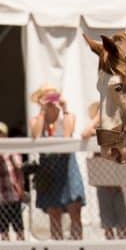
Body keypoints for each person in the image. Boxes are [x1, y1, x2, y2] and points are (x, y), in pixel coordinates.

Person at [29, 84, 85, 240]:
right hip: (48, 168)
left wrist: (64, 108)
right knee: (54, 214)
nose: (51, 100)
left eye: (54, 96)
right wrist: (42, 110)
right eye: (47, 96)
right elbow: (36, 135)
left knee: (75, 210)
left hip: (67, 166)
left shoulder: (68, 116)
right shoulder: (36, 119)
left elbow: (67, 135)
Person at [83, 102, 126, 239]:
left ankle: (125, 246)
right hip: (102, 176)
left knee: (123, 219)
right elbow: (85, 132)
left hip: (118, 176)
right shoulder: (96, 132)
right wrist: (97, 120)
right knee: (106, 218)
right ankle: (111, 244)